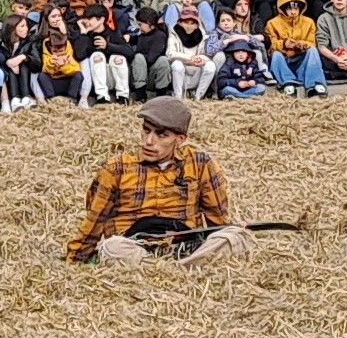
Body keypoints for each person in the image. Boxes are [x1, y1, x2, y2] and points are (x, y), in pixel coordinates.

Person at [63, 96, 252, 263]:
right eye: (146, 131)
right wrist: (75, 258)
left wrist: (221, 239)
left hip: (185, 248)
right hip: (132, 248)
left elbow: (217, 220)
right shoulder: (117, 168)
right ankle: (169, 270)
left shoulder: (200, 164)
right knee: (112, 248)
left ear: (180, 139)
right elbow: (94, 220)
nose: (149, 141)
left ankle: (183, 266)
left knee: (235, 237)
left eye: (162, 135)